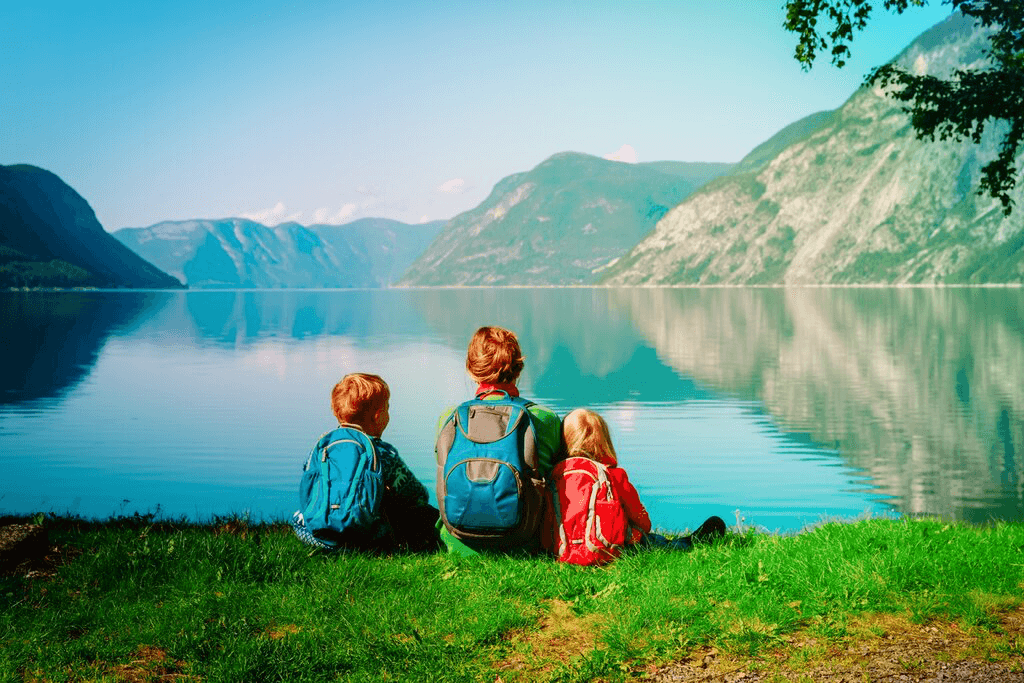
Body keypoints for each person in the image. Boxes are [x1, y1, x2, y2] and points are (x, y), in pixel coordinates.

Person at [435, 326, 563, 554]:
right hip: (526, 543)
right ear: (518, 367)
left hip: (458, 544)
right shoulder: (545, 418)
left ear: (470, 368)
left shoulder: (449, 419)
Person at [547, 408, 725, 561]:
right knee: (660, 543)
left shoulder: (555, 475)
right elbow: (642, 520)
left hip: (561, 550)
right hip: (615, 549)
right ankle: (691, 542)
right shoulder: (614, 475)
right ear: (605, 442)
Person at [292, 373, 439, 553]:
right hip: (363, 539)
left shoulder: (324, 446)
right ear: (378, 416)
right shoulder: (382, 452)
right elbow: (416, 495)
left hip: (316, 535)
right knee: (428, 514)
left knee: (298, 517)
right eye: (388, 408)